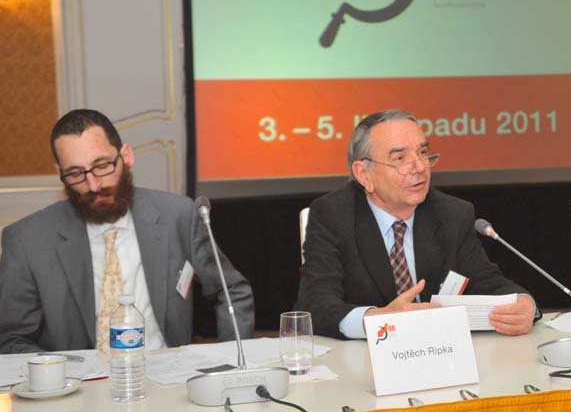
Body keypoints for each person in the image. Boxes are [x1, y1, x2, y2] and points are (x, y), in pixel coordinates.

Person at [0, 109, 254, 353]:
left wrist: (231, 360)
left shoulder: (178, 215)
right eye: (75, 173)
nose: (93, 185)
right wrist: (57, 374)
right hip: (77, 379)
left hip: (165, 372)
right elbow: (10, 339)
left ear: (126, 156)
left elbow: (231, 291)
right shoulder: (26, 241)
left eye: (102, 166)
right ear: (60, 174)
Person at [295, 109, 538, 339]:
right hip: (364, 358)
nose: (420, 167)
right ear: (364, 174)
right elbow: (315, 305)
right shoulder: (333, 216)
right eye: (400, 158)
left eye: (422, 152)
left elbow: (488, 282)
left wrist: (526, 304)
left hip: (438, 353)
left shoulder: (451, 214)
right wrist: (378, 319)